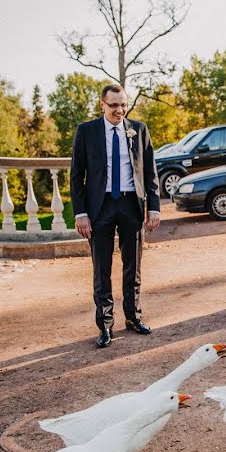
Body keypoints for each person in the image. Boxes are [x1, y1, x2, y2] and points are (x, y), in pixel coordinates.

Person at [70, 84, 161, 348]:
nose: (119, 110)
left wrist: (153, 208)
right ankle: (105, 325)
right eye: (113, 105)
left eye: (123, 104)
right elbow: (76, 176)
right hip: (100, 208)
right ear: (102, 104)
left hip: (131, 205)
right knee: (102, 268)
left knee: (133, 265)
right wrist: (81, 213)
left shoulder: (139, 130)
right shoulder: (86, 132)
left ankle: (133, 317)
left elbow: (150, 172)